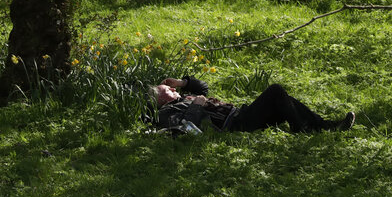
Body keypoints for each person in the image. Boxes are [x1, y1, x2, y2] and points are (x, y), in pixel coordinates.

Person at [150, 76, 355, 134]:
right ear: (160, 99)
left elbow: (203, 87)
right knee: (275, 91)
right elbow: (184, 129)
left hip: (242, 114)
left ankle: (324, 126)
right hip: (236, 125)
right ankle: (304, 129)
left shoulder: (181, 97)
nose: (174, 91)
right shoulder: (168, 111)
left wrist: (182, 83)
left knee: (284, 100)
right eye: (168, 89)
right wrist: (196, 105)